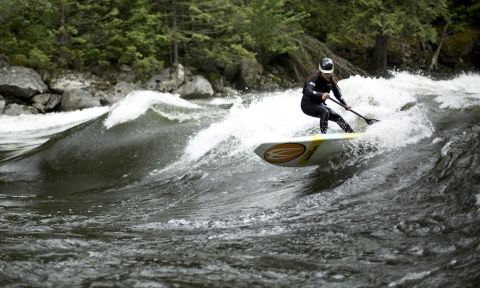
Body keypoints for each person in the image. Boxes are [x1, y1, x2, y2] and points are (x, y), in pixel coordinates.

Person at [301, 58, 354, 134]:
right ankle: (324, 136)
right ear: (321, 71)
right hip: (307, 105)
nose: (327, 75)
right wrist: (321, 95)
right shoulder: (314, 78)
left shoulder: (331, 81)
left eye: (329, 73)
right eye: (325, 73)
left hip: (318, 105)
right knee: (325, 112)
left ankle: (351, 133)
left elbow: (337, 95)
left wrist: (345, 105)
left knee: (337, 117)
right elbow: (307, 91)